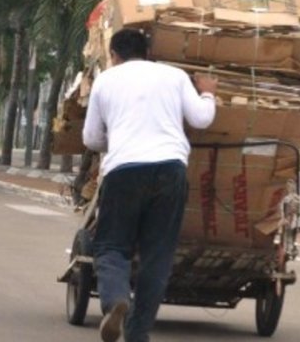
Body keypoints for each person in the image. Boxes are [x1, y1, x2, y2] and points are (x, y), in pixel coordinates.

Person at [82, 28, 217, 342]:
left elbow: (90, 139)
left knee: (111, 246)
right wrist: (208, 92)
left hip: (124, 170)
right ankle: (138, 333)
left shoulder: (105, 80)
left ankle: (115, 299)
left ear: (114, 55)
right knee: (158, 255)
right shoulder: (173, 75)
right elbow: (201, 119)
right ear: (147, 52)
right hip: (171, 169)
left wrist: (114, 141)